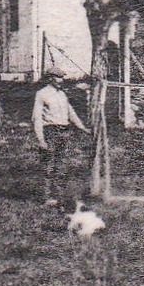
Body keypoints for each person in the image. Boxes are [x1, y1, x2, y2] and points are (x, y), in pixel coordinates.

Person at [32, 75, 89, 206]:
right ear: (51, 79)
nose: (61, 80)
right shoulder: (42, 94)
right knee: (48, 164)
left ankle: (58, 196)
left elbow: (71, 113)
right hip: (50, 131)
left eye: (62, 78)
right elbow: (37, 118)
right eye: (58, 78)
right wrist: (41, 139)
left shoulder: (62, 94)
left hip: (64, 131)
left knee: (60, 164)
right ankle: (46, 197)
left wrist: (81, 127)